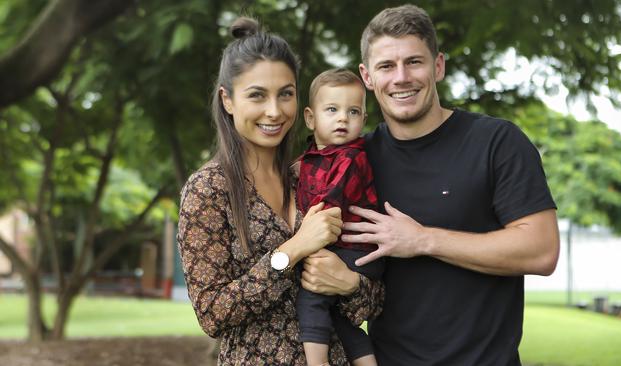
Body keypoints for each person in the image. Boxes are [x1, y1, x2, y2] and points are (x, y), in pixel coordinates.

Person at [338, 4, 560, 365]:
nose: (401, 77)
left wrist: (422, 239)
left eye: (414, 62)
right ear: (367, 76)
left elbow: (541, 250)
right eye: (386, 66)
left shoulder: (496, 142)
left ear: (437, 65)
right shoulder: (355, 161)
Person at [176, 18, 383, 366]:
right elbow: (211, 313)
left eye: (285, 94)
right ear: (228, 100)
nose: (274, 111)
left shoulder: (309, 176)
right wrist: (293, 250)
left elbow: (374, 299)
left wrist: (349, 284)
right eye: (257, 95)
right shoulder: (208, 190)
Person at [296, 68, 383, 366]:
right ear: (310, 118)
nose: (343, 118)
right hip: (346, 249)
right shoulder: (313, 157)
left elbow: (326, 207)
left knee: (312, 297)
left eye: (353, 111)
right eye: (332, 109)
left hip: (355, 249)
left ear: (364, 120)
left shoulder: (351, 157)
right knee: (342, 318)